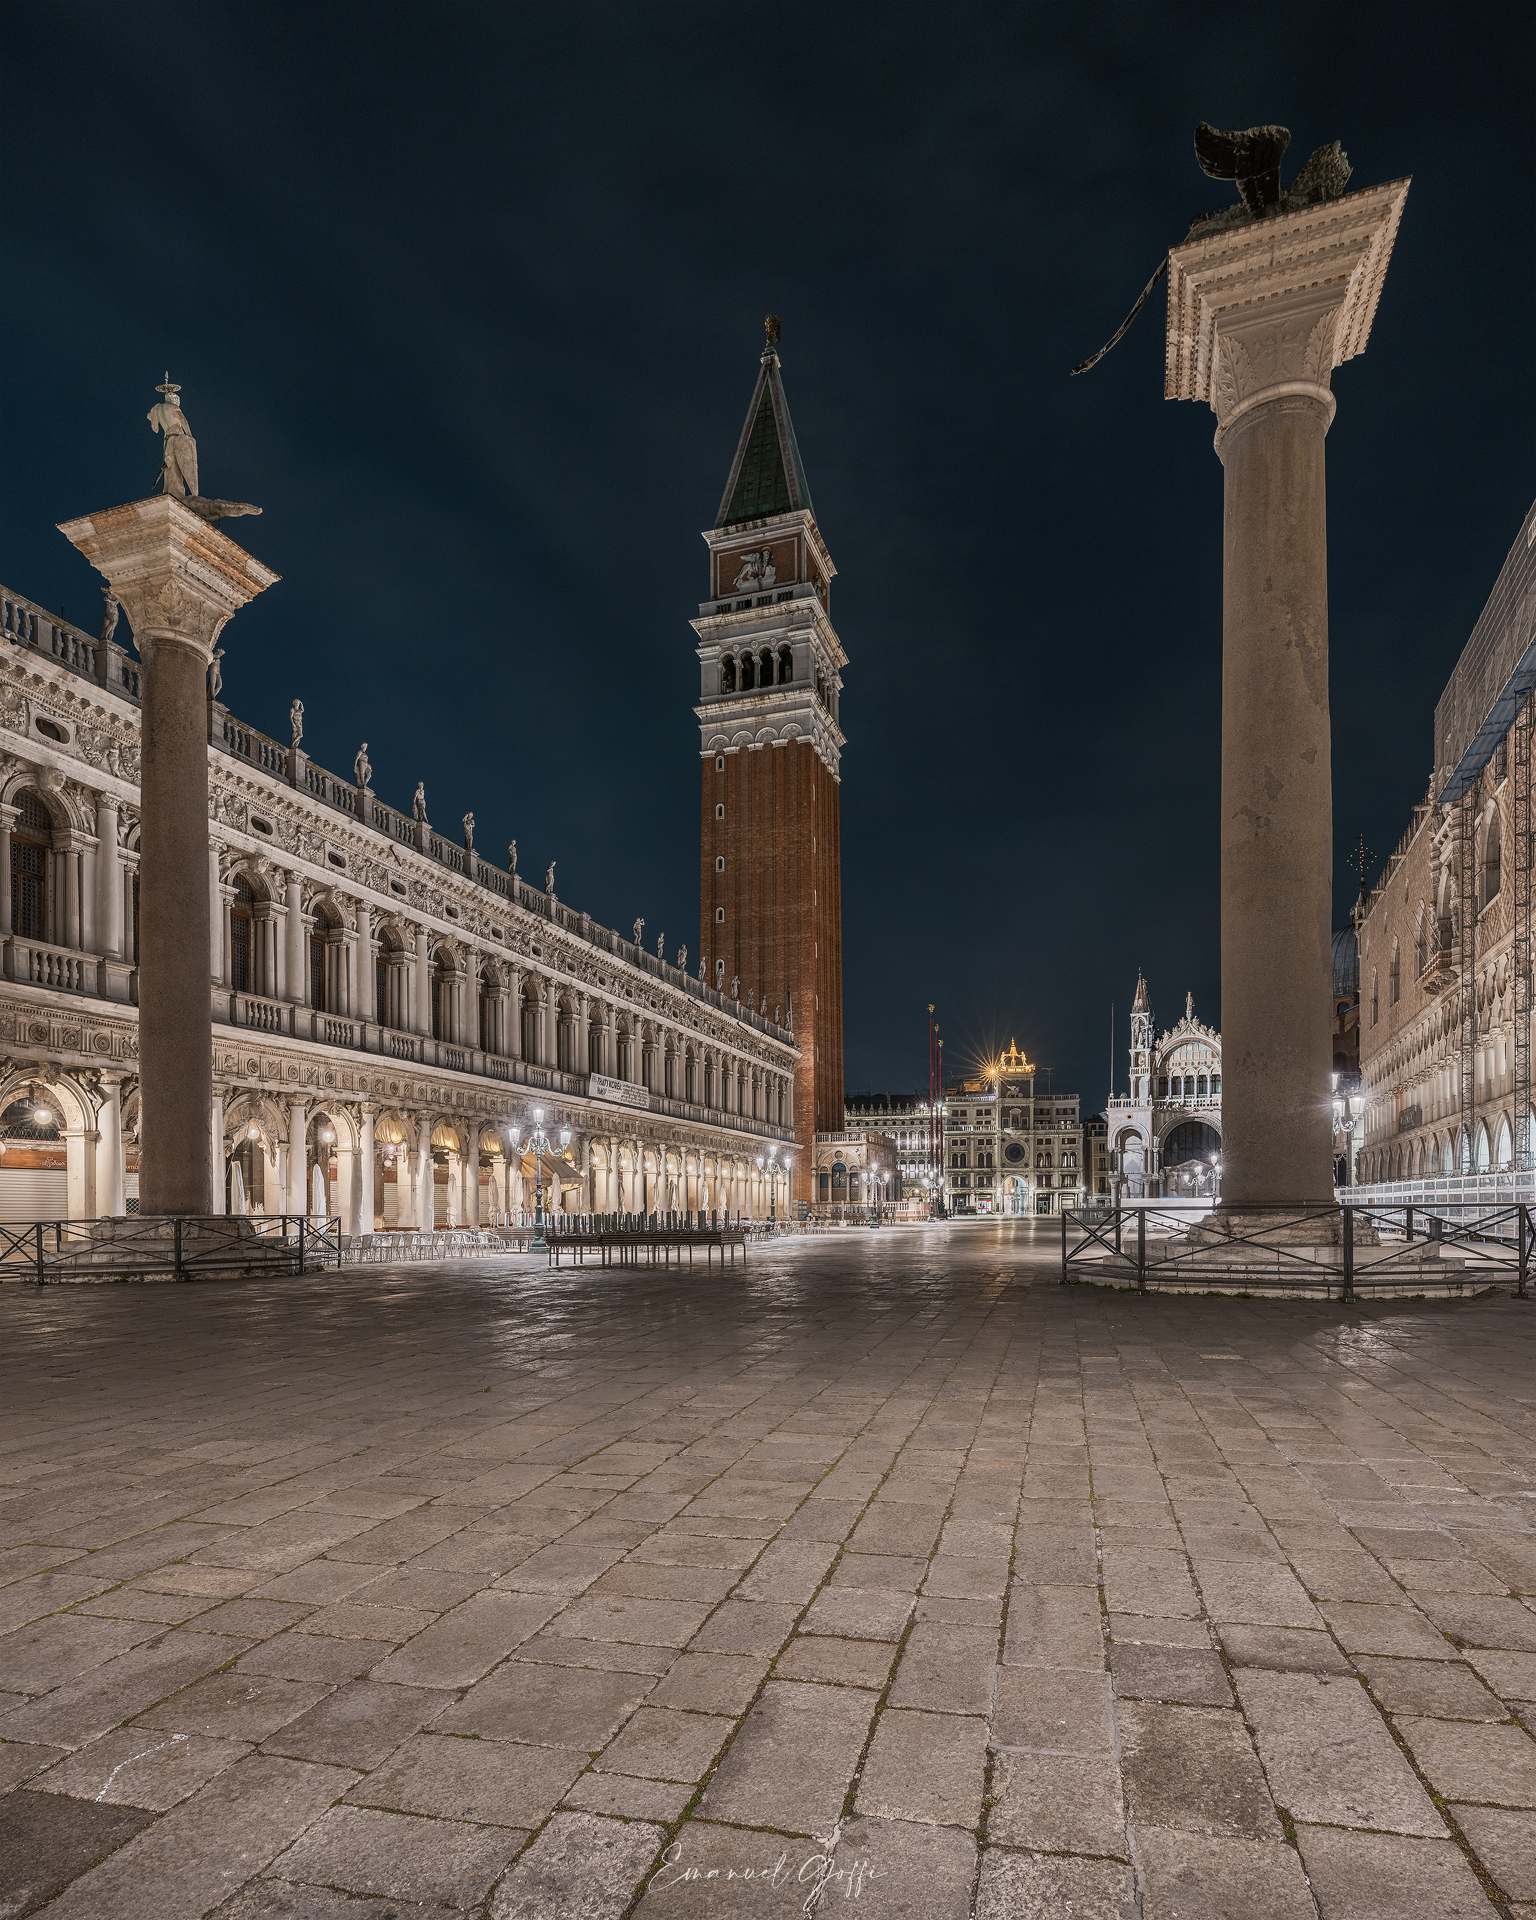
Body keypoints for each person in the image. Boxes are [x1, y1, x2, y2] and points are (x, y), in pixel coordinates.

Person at [147, 375, 198, 496]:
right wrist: (190, 437)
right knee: (178, 467)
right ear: (175, 399)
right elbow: (183, 421)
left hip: (167, 440)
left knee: (169, 466)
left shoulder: (158, 408)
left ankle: (168, 489)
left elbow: (151, 421)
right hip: (177, 438)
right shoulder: (174, 407)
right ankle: (178, 492)